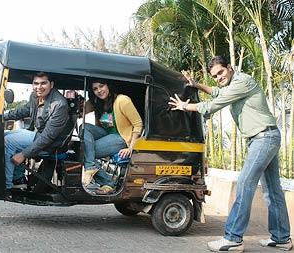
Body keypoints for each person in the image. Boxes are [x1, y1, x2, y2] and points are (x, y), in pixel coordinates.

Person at [169, 56, 292, 252]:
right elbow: (218, 92)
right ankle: (281, 238)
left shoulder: (242, 81)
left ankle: (233, 239)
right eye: (215, 76)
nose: (218, 77)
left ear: (230, 68)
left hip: (263, 138)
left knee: (244, 184)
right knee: (272, 190)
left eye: (221, 72)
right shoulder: (233, 85)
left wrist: (185, 106)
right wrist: (197, 85)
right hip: (266, 137)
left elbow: (213, 104)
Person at [4, 72, 71, 198]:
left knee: (8, 142)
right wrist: (2, 116)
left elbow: (48, 137)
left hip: (52, 144)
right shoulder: (35, 96)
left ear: (51, 84)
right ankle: (18, 180)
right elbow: (24, 111)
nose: (39, 87)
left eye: (43, 83)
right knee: (6, 135)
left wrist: (23, 155)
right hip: (39, 135)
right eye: (36, 83)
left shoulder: (59, 104)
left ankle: (6, 186)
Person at [81, 79, 143, 194]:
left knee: (85, 151)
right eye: (95, 89)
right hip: (107, 135)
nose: (99, 90)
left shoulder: (122, 100)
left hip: (121, 138)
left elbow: (138, 124)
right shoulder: (98, 103)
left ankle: (107, 182)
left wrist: (131, 147)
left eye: (101, 86)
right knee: (84, 128)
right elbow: (81, 111)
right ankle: (92, 168)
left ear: (108, 86)